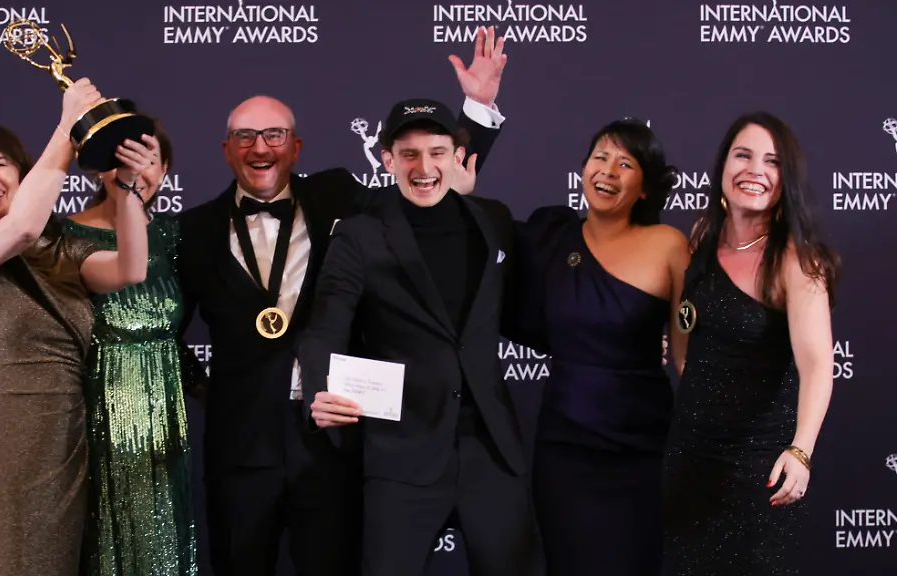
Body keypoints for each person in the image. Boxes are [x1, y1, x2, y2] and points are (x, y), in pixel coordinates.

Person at [175, 26, 508, 576]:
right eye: (247, 136)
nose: (262, 147)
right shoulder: (194, 229)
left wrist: (477, 109)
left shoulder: (339, 196)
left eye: (276, 134)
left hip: (333, 441)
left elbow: (425, 179)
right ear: (227, 148)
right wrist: (211, 390)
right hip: (241, 446)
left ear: (296, 146)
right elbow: (165, 329)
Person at [0, 120, 203, 576]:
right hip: (1, 447)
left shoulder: (59, 248)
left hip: (69, 445)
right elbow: (21, 228)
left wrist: (125, 191)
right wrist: (69, 125)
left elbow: (131, 268)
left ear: (25, 177)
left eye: (0, 164)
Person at [297, 97, 543, 576]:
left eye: (436, 152)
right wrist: (319, 391)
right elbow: (326, 326)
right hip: (401, 451)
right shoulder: (360, 235)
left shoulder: (493, 220)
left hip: (491, 450)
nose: (424, 167)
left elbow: (526, 312)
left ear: (456, 156)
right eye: (409, 154)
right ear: (387, 160)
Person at [505, 118, 690, 575]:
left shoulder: (668, 245)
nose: (607, 171)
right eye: (600, 157)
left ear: (644, 186)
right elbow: (466, 224)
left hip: (642, 449)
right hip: (566, 447)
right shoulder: (551, 235)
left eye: (625, 163)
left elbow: (688, 357)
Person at [662, 111, 839, 575]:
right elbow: (687, 330)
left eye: (771, 161)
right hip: (688, 461)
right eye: (743, 155)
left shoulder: (796, 262)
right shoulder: (702, 236)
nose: (754, 170)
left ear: (787, 179)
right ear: (723, 165)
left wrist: (800, 452)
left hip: (757, 473)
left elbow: (819, 365)